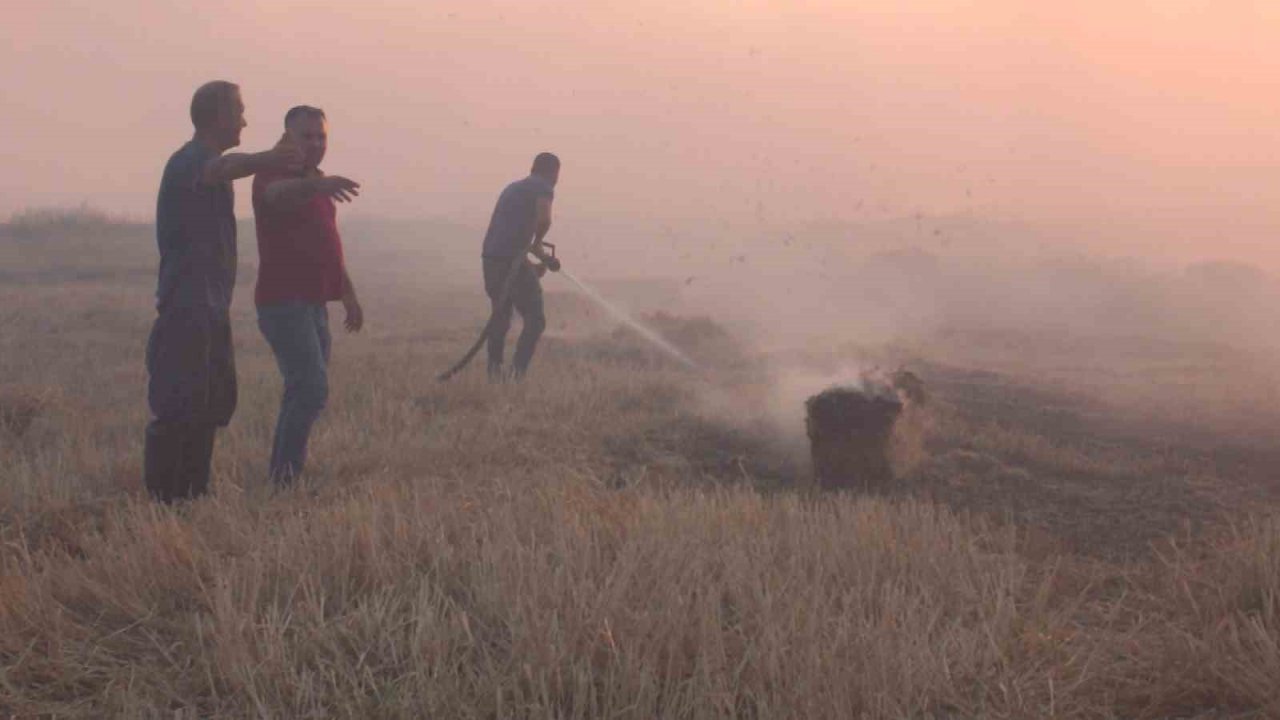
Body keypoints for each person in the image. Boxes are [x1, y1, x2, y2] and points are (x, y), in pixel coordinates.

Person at [144, 81, 302, 503]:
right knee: (178, 406)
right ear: (218, 116)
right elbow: (223, 168)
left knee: (208, 407)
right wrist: (268, 158)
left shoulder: (208, 162)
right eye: (239, 111)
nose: (245, 120)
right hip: (186, 308)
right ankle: (164, 504)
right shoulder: (190, 161)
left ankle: (192, 497)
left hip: (211, 308)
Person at [252, 105, 364, 485]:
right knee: (311, 388)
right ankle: (284, 479)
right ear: (288, 137)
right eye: (307, 136)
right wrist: (318, 185)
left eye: (322, 136)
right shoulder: (273, 173)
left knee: (303, 389)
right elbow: (275, 196)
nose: (316, 143)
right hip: (283, 302)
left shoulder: (318, 182)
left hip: (314, 303)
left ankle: (283, 476)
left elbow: (328, 244)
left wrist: (348, 294)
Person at [480, 152, 561, 381]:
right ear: (552, 172)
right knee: (535, 320)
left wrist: (535, 264)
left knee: (501, 317)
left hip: (491, 260)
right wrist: (537, 243)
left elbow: (513, 239)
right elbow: (544, 220)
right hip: (509, 262)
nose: (557, 181)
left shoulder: (514, 188)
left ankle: (494, 373)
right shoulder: (543, 187)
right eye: (557, 175)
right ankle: (517, 375)